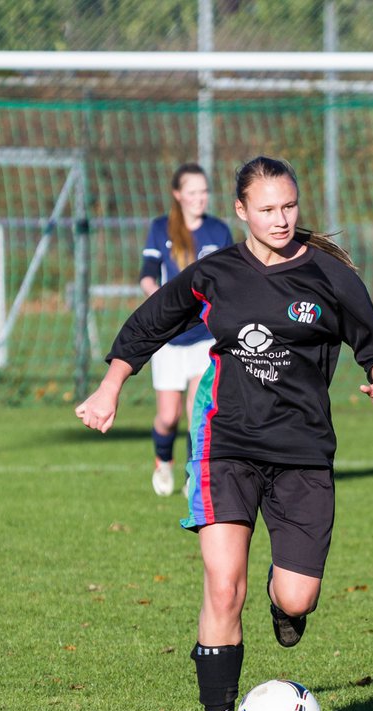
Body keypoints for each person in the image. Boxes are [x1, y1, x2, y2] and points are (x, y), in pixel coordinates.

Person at [75, 155, 373, 711]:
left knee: (296, 595)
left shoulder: (329, 277)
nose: (281, 219)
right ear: (242, 212)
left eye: (290, 207)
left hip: (302, 451)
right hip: (225, 444)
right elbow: (151, 322)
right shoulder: (216, 273)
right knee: (224, 585)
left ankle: (289, 611)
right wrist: (111, 385)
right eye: (268, 209)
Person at [139, 163, 234, 496]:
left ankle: (193, 474)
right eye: (192, 192)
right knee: (168, 416)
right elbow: (147, 275)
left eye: (204, 191)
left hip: (204, 337)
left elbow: (227, 280)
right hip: (169, 339)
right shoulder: (160, 228)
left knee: (198, 411)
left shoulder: (219, 231)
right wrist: (161, 302)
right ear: (178, 195)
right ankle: (162, 462)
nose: (199, 198)